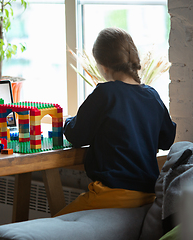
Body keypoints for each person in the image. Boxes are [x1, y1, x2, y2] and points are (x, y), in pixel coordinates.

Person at [55, 27, 176, 216]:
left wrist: (67, 122)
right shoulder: (152, 96)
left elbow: (76, 135)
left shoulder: (105, 93)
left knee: (56, 221)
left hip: (112, 193)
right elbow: (167, 140)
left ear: (103, 67)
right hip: (149, 196)